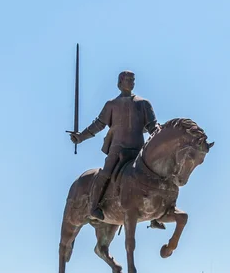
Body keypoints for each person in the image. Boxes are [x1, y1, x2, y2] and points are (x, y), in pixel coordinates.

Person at [70, 71, 165, 228]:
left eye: (132, 80)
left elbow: (152, 126)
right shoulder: (111, 105)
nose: (130, 82)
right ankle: (94, 206)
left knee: (157, 175)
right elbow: (98, 125)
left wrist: (162, 132)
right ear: (119, 83)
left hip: (139, 151)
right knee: (106, 173)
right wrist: (80, 137)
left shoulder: (143, 104)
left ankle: (157, 215)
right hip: (118, 149)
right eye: (127, 79)